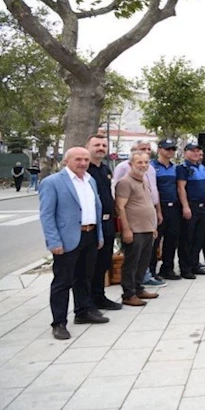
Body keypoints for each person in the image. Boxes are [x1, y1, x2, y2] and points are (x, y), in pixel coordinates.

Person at [39, 147, 108, 340]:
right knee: (63, 282)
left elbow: (96, 209)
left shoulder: (90, 180)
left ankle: (83, 311)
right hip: (67, 239)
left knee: (84, 277)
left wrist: (99, 236)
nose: (83, 163)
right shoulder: (52, 182)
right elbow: (47, 215)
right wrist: (53, 241)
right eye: (78, 159)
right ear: (66, 161)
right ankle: (59, 322)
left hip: (90, 235)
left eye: (86, 159)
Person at [113, 141, 162, 285]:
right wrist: (126, 229)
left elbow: (148, 204)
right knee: (131, 263)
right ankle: (129, 293)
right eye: (139, 162)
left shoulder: (144, 181)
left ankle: (139, 289)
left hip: (147, 228)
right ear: (131, 164)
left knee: (143, 262)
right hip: (134, 230)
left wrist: (152, 226)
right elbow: (120, 207)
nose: (143, 165)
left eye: (146, 162)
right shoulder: (125, 182)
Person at [86, 134, 123, 311]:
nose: (101, 148)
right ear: (88, 147)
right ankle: (87, 303)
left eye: (104, 145)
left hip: (108, 223)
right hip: (93, 224)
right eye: (97, 145)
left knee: (103, 263)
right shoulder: (85, 169)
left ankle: (100, 297)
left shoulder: (105, 169)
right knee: (89, 265)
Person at [177, 142, 205, 279]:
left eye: (198, 151)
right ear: (186, 152)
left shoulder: (201, 168)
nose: (195, 154)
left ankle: (195, 264)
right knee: (187, 238)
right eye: (192, 151)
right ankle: (185, 268)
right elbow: (181, 188)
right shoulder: (183, 168)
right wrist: (185, 206)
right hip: (191, 205)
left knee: (199, 237)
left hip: (202, 206)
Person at [152, 139, 183, 280]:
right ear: (159, 149)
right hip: (158, 207)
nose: (170, 151)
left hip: (174, 206)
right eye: (167, 149)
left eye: (172, 149)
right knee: (155, 240)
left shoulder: (174, 167)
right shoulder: (152, 166)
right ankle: (151, 270)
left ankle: (167, 268)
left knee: (172, 239)